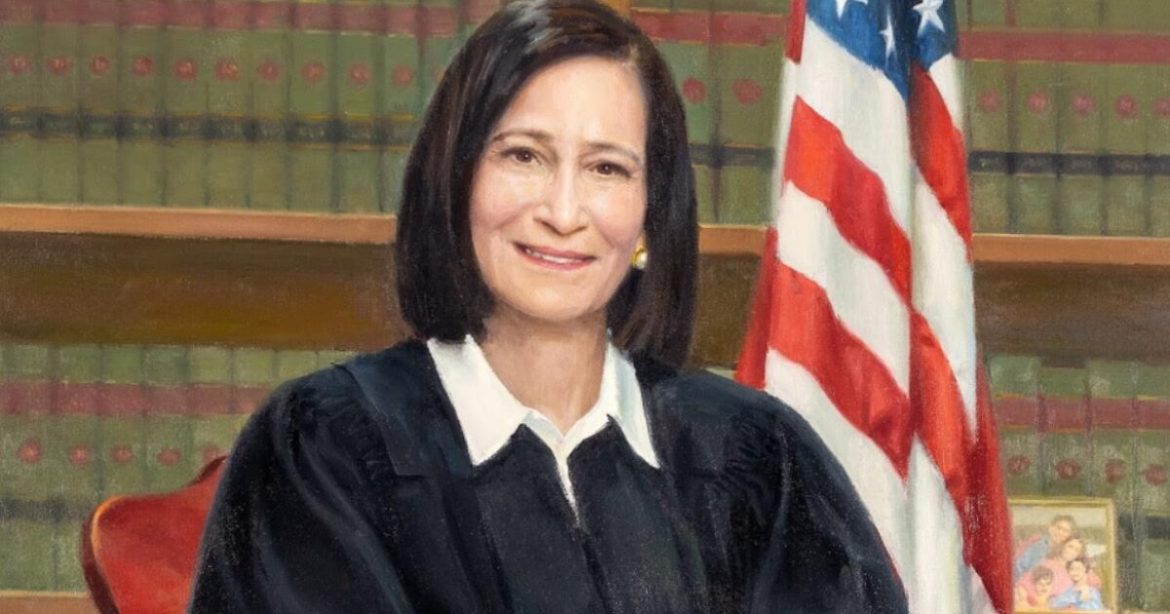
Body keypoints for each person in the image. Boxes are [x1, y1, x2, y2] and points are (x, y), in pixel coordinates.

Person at [188, 1, 907, 612]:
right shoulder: (326, 444)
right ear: (457, 178)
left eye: (606, 168)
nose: (563, 213)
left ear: (650, 214)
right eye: (523, 156)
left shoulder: (755, 456)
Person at [1013, 514, 1077, 581]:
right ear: (1050, 528)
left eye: (1065, 531)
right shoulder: (1040, 546)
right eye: (1058, 528)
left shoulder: (1062, 551)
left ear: (1069, 535)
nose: (1060, 532)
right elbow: (1021, 569)